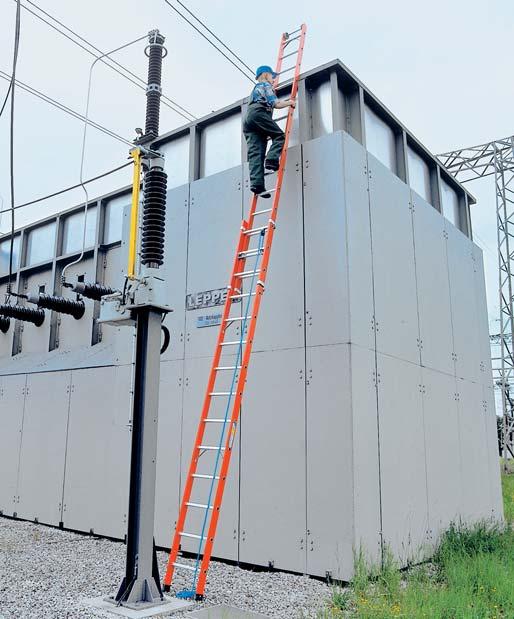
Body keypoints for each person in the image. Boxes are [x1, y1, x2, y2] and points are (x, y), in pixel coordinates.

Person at [243, 65, 295, 198]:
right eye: (272, 76)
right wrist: (290, 102)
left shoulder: (254, 91)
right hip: (258, 113)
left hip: (249, 120)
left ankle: (257, 186)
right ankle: (271, 160)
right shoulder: (265, 85)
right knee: (279, 136)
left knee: (256, 152)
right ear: (265, 75)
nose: (273, 80)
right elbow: (276, 104)